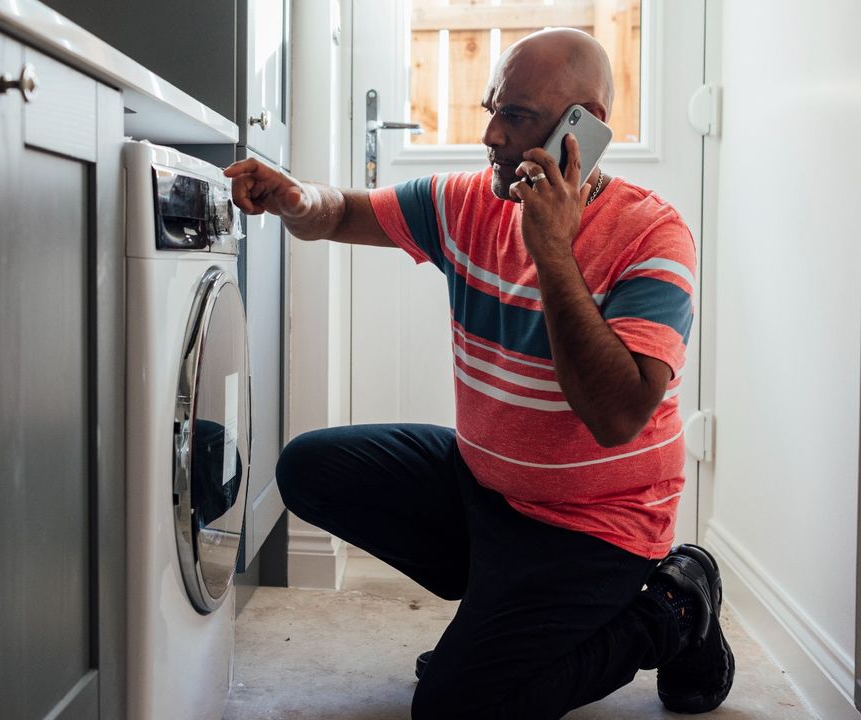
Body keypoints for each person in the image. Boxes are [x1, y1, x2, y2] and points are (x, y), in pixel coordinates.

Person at [225, 27, 733, 719]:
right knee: (311, 468)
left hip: (597, 527)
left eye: (517, 116)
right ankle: (504, 617)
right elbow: (341, 212)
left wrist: (552, 250)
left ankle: (672, 610)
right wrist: (294, 198)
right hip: (488, 491)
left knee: (453, 708)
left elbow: (617, 416)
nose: (490, 133)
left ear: (585, 127)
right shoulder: (469, 202)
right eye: (492, 109)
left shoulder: (653, 234)